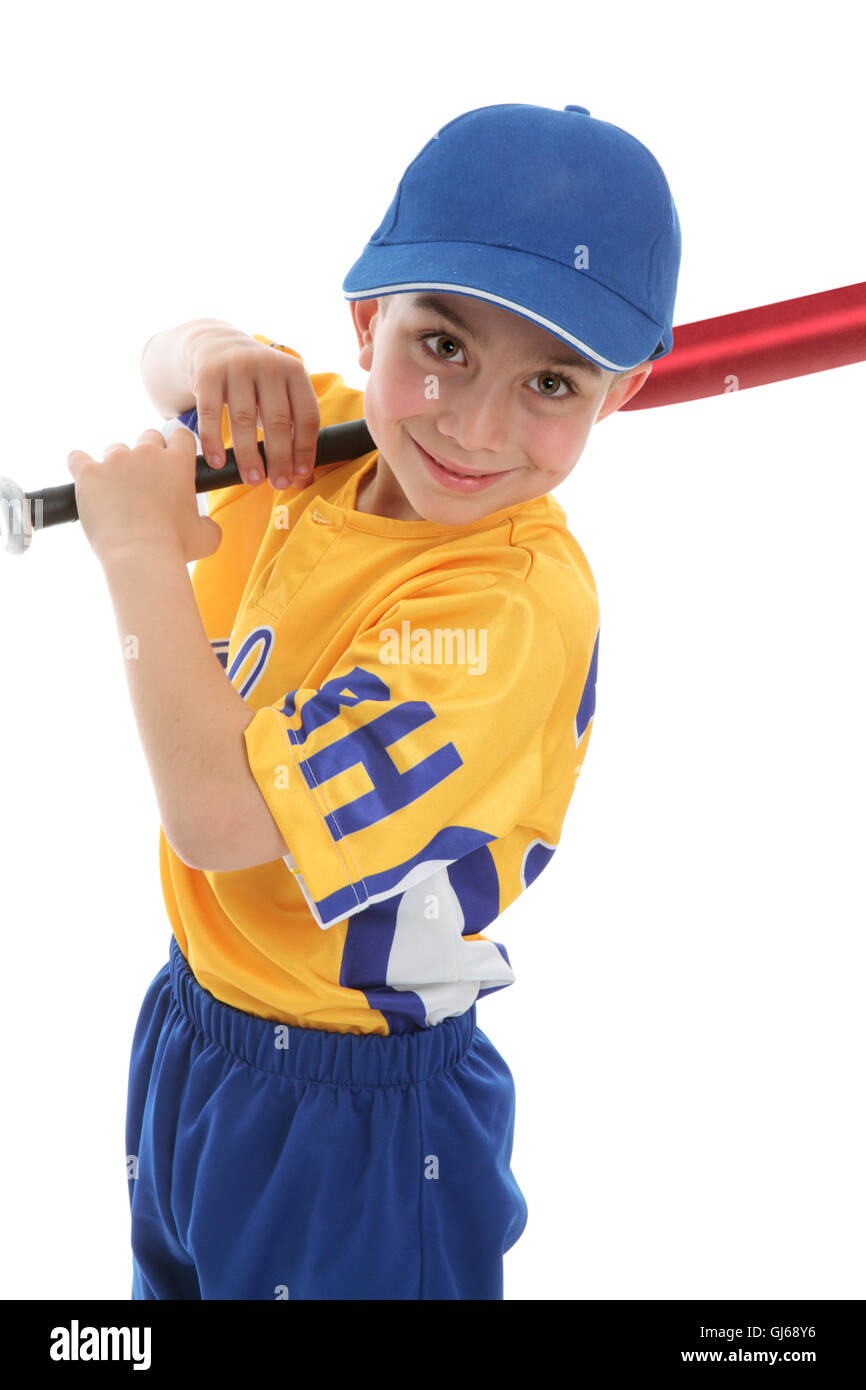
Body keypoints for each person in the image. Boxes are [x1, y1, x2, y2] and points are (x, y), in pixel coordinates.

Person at [75, 101, 681, 1300]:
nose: (470, 423)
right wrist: (210, 355)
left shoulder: (505, 615)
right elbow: (164, 354)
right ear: (366, 321)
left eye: (550, 381)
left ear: (616, 395)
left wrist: (139, 558)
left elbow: (213, 812)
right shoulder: (324, 451)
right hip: (196, 1026)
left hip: (355, 1118)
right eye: (441, 347)